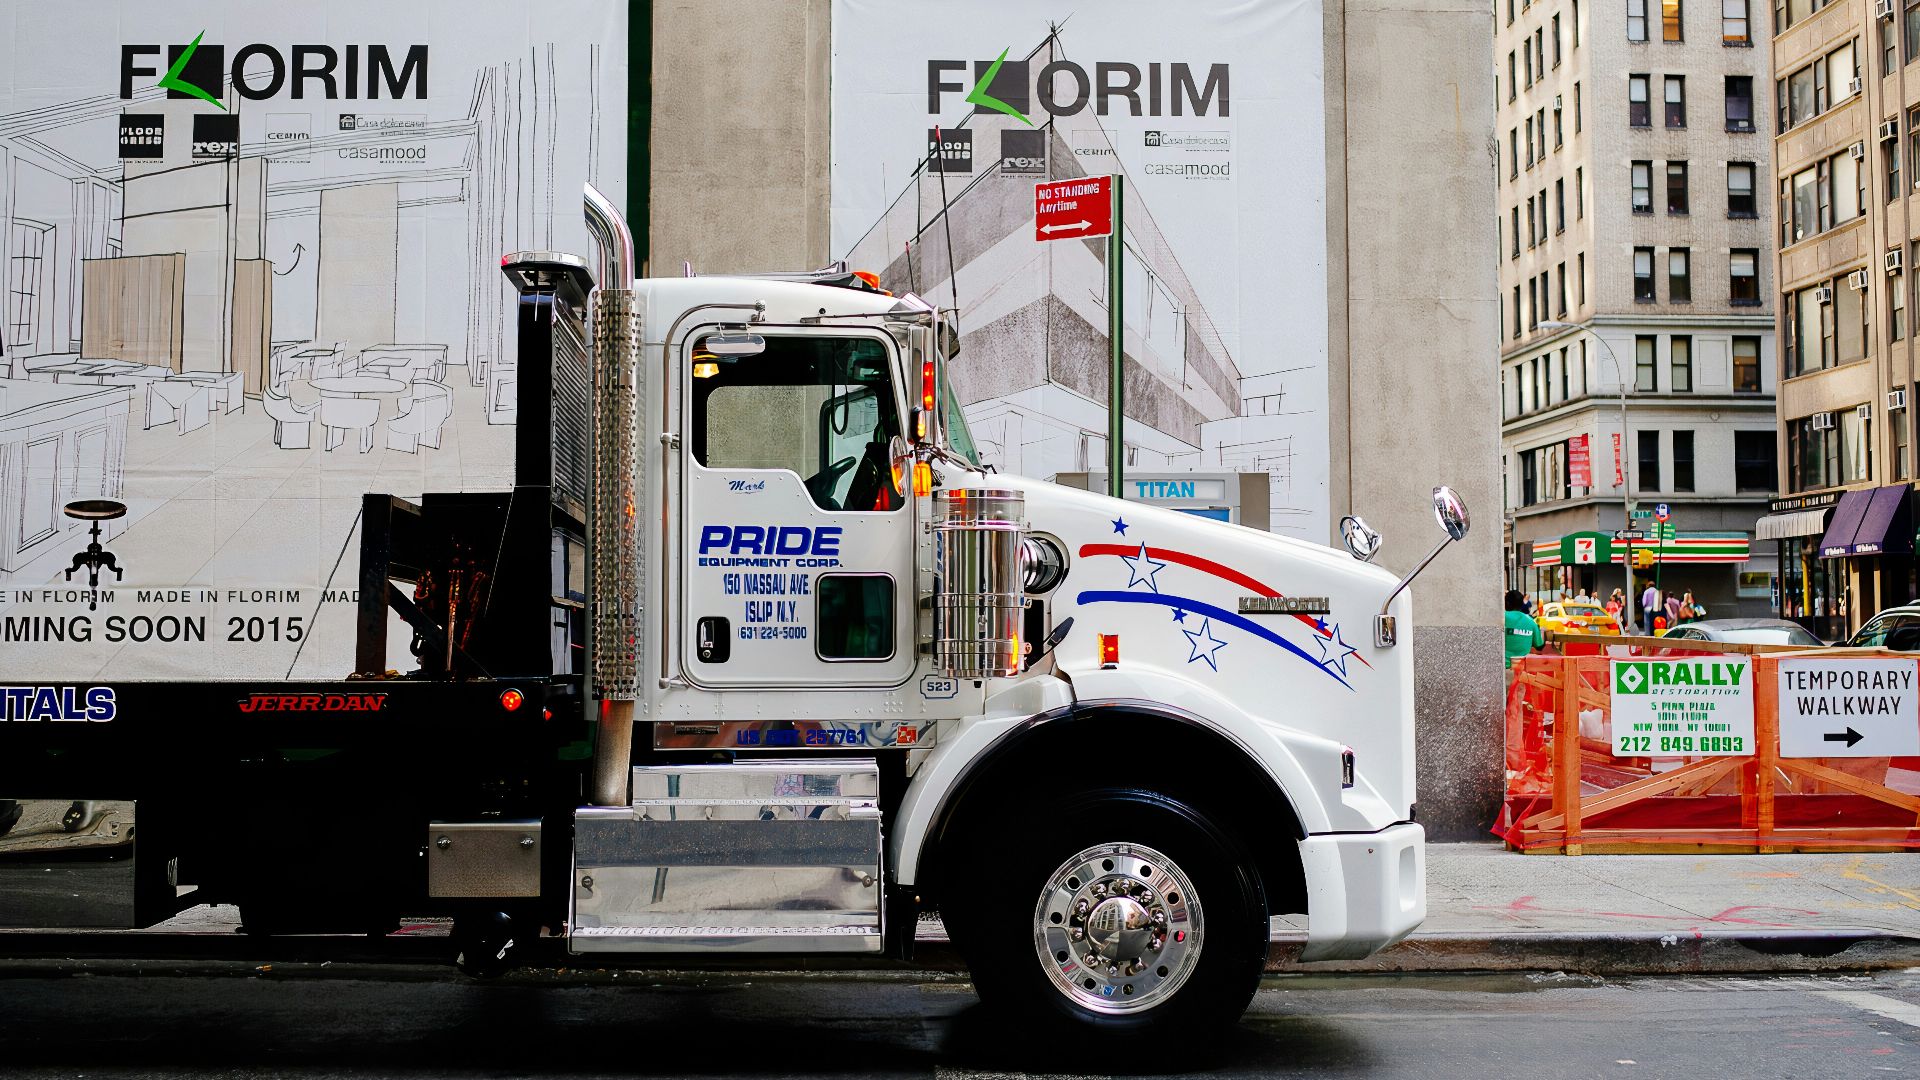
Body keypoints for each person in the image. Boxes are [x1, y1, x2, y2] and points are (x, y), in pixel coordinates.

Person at [1505, 589, 1545, 673]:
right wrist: (1542, 632)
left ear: (1506, 603)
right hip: (1521, 670)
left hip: (1500, 667)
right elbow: (1539, 646)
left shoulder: (1501, 618)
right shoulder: (1530, 621)